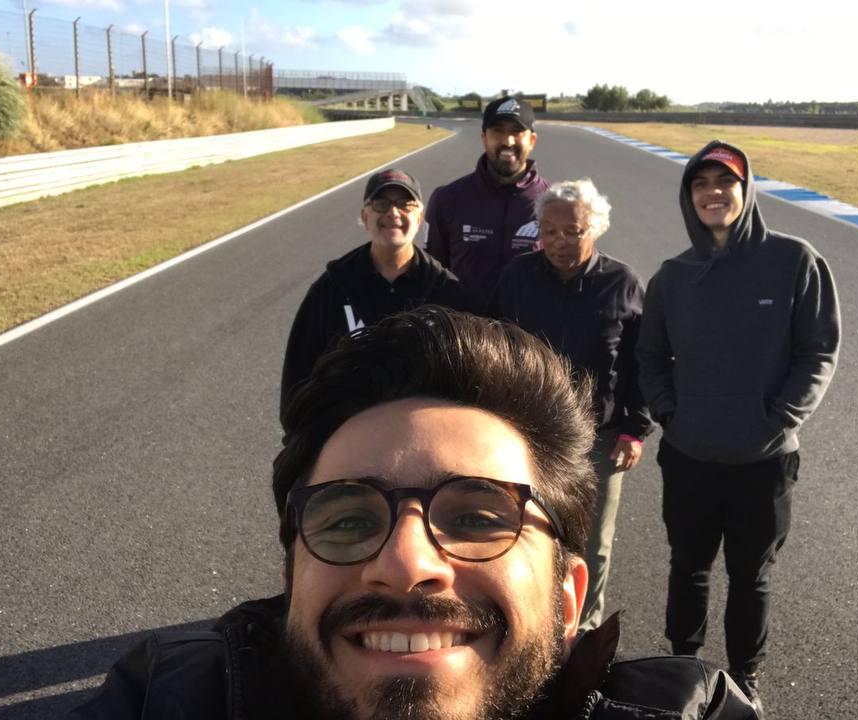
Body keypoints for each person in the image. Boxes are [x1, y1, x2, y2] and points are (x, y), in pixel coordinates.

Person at [74, 307, 759, 719]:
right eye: (348, 520)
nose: (405, 563)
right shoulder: (162, 699)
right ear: (291, 584)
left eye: (479, 518)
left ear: (569, 598)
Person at [636, 141, 841, 716]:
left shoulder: (794, 260)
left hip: (764, 459)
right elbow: (649, 357)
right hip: (690, 455)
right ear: (689, 197)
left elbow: (818, 350)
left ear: (745, 190)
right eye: (701, 184)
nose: (713, 193)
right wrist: (670, 413)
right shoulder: (673, 277)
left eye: (725, 182)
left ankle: (745, 677)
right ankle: (683, 665)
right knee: (688, 569)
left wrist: (782, 417)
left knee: (751, 578)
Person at [489, 178, 652, 633]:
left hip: (598, 439)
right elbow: (496, 347)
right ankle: (527, 626)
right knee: (523, 531)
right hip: (527, 432)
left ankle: (583, 633)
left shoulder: (623, 283)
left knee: (591, 544)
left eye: (573, 232)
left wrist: (635, 429)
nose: (559, 241)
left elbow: (644, 361)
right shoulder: (516, 277)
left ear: (594, 228)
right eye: (549, 231)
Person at [279, 168, 468, 423]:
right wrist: (302, 437)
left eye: (405, 204)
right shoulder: (332, 288)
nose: (393, 213)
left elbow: (465, 379)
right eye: (381, 203)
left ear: (420, 216)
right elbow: (298, 375)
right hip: (348, 433)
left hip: (420, 435)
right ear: (364, 216)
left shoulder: (448, 292)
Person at [424, 96, 551, 306]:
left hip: (530, 327)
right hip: (464, 325)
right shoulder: (447, 198)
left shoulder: (555, 203)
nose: (507, 141)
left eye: (516, 131)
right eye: (498, 131)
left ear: (532, 140)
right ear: (484, 138)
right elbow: (431, 275)